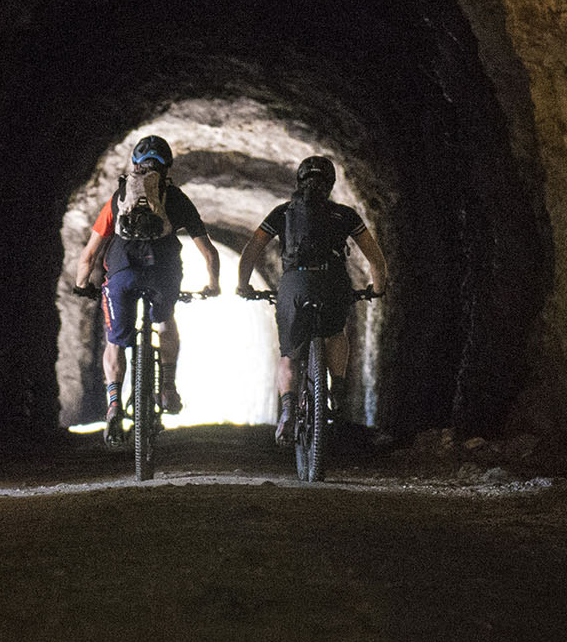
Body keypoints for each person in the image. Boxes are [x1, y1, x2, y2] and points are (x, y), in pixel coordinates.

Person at [235, 155, 387, 442]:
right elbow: (376, 259)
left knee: (289, 355)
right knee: (335, 333)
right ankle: (338, 390)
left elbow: (251, 250)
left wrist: (244, 285)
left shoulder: (282, 213)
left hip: (294, 285)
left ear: (298, 182)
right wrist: (377, 288)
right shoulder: (346, 215)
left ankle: (288, 412)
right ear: (330, 185)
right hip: (333, 284)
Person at [77, 135, 219, 433]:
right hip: (164, 274)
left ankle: (113, 402)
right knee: (166, 322)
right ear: (168, 166)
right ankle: (167, 386)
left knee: (114, 340)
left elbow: (89, 254)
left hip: (121, 273)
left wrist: (82, 285)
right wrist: (213, 283)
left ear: (135, 166)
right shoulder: (177, 198)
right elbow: (208, 250)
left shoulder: (118, 198)